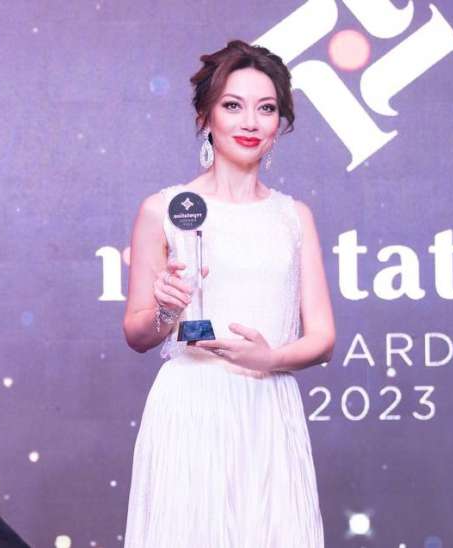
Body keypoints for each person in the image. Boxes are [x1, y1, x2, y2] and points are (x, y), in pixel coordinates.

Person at [121, 39, 335, 547]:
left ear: (280, 124)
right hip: (190, 407)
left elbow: (323, 338)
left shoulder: (294, 217)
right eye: (233, 105)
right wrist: (166, 310)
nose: (250, 122)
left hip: (268, 406)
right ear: (205, 117)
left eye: (267, 109)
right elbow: (137, 333)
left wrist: (270, 358)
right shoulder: (162, 209)